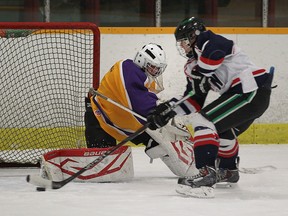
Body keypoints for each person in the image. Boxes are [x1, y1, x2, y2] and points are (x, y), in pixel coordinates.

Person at [147, 17, 274, 198]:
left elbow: (214, 55)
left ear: (194, 35)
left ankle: (207, 173)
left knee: (203, 121)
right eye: (180, 43)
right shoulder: (192, 66)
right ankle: (228, 170)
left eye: (184, 41)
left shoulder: (209, 40)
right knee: (221, 128)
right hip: (245, 95)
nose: (182, 47)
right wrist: (167, 111)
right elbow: (193, 100)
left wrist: (202, 74)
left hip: (251, 90)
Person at [84, 43, 196, 178]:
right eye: (153, 66)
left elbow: (143, 103)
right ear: (142, 60)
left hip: (117, 121)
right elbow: (140, 105)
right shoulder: (127, 68)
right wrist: (168, 118)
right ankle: (195, 168)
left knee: (158, 144)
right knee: (102, 175)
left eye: (157, 68)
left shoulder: (142, 77)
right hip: (99, 121)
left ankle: (193, 169)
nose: (155, 71)